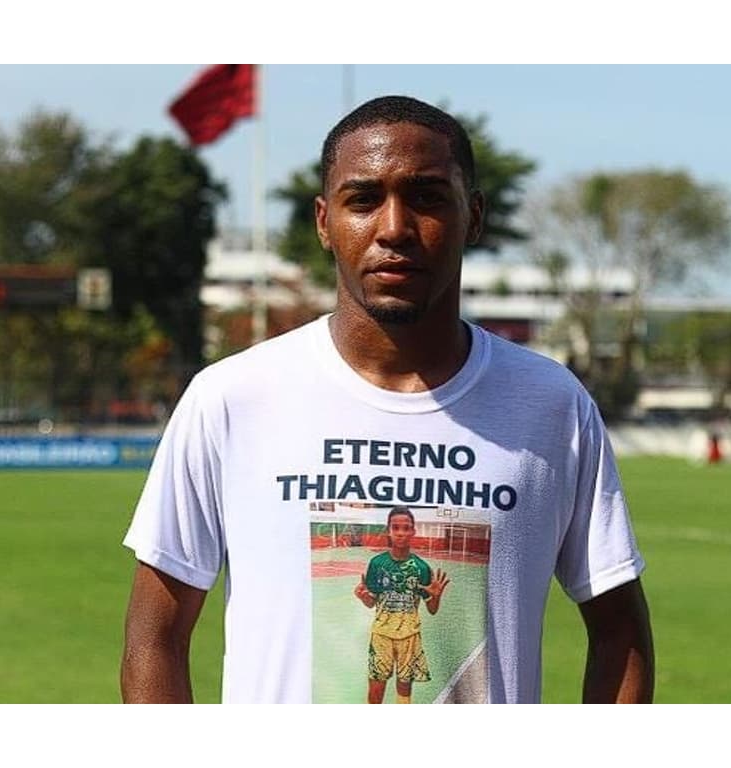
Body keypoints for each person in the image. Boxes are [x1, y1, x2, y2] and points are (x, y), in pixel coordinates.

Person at [121, 95, 654, 704]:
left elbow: (620, 635)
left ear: (472, 216)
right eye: (363, 199)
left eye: (427, 197)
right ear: (325, 221)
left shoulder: (552, 404)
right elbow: (154, 637)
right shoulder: (232, 397)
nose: (394, 228)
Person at [353, 506, 449, 704]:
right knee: (375, 689)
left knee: (404, 688)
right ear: (389, 530)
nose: (401, 533)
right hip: (381, 635)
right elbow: (372, 602)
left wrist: (436, 597)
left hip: (409, 636)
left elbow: (432, 610)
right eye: (396, 528)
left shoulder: (422, 568)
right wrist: (364, 598)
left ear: (413, 531)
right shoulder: (377, 564)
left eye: (406, 528)